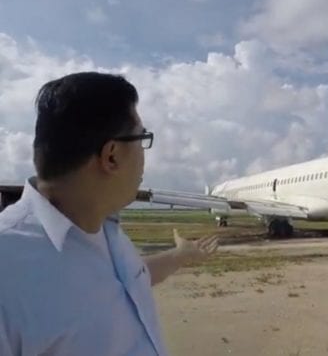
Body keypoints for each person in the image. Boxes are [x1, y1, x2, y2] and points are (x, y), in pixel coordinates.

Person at [0, 72, 218, 355]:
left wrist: (181, 255)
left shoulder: (103, 227)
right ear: (111, 155)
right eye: (142, 139)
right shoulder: (8, 266)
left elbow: (127, 281)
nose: (144, 156)